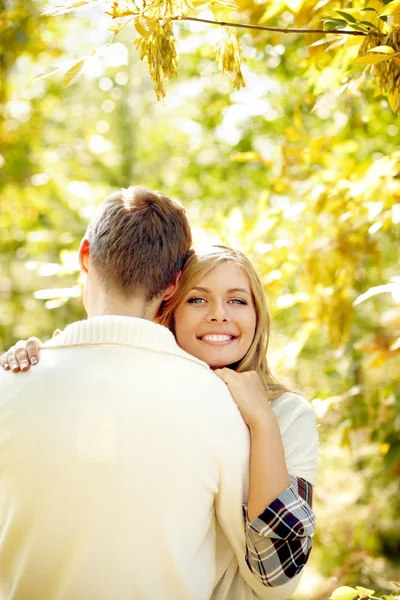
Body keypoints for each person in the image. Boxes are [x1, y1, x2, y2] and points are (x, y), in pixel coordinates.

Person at [1, 242, 319, 598]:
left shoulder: (288, 416)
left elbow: (279, 580)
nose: (219, 314)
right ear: (170, 312)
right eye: (197, 299)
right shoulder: (142, 395)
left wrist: (262, 423)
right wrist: (46, 361)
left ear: (258, 315)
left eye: (238, 300)